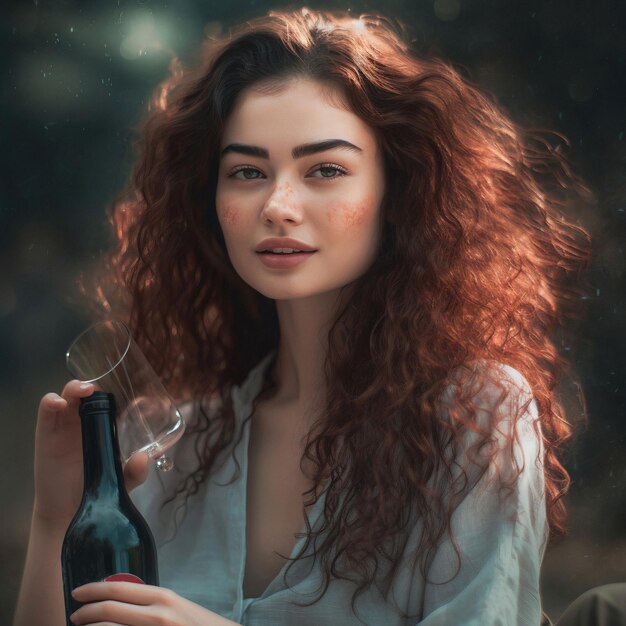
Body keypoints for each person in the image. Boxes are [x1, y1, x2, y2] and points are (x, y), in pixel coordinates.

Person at [14, 8, 593, 626]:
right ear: (208, 200)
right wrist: (57, 521)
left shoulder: (475, 419)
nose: (278, 204)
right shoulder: (164, 442)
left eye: (325, 170)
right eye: (247, 172)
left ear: (399, 192)